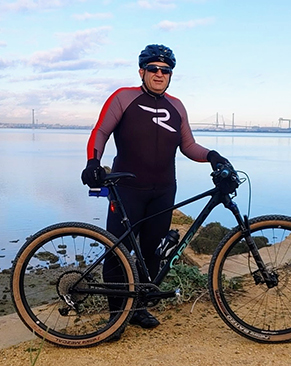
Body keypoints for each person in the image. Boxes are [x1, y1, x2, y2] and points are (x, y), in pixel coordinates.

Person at [81, 44, 229, 329]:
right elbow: (100, 131)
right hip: (127, 190)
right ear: (142, 71)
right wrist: (92, 162)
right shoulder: (123, 98)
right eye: (153, 69)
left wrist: (212, 156)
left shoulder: (177, 106)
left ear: (170, 75)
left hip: (163, 191)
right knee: (118, 251)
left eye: (165, 70)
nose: (159, 74)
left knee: (151, 251)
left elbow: (188, 146)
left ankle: (137, 310)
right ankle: (116, 317)